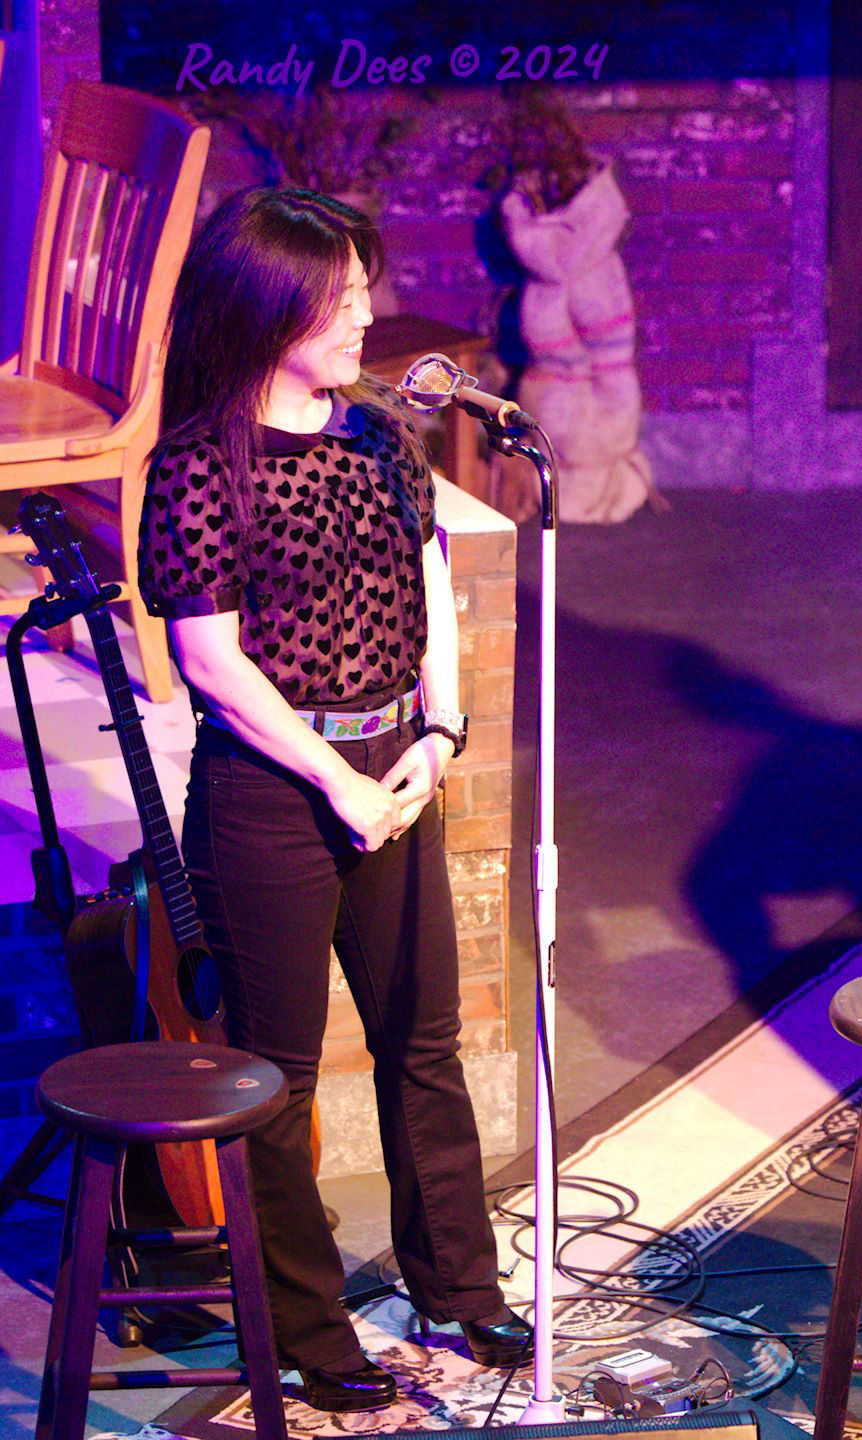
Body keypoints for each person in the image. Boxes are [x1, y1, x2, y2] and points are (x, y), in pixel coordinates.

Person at [138, 188, 530, 1412]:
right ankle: (308, 1328)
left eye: (364, 287)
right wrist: (337, 782)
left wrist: (441, 731)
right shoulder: (205, 464)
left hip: (395, 771)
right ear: (272, 311)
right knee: (277, 1075)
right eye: (342, 297)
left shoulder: (374, 436)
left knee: (425, 1043)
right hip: (272, 794)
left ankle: (458, 1289)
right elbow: (210, 660)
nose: (366, 314)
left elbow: (429, 580)